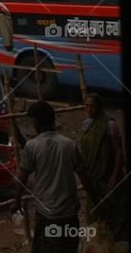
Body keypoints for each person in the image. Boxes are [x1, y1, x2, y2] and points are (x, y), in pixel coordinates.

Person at [13, 100, 92, 253]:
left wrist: (16, 203)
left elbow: (22, 178)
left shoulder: (32, 146)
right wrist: (96, 198)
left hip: (46, 214)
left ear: (36, 122)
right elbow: (84, 177)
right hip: (68, 214)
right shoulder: (69, 145)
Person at [78, 93, 128, 243]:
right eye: (86, 106)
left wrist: (114, 176)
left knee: (113, 214)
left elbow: (118, 151)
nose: (89, 109)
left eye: (92, 106)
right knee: (94, 216)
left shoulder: (110, 125)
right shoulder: (87, 124)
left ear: (99, 106)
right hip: (93, 179)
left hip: (107, 177)